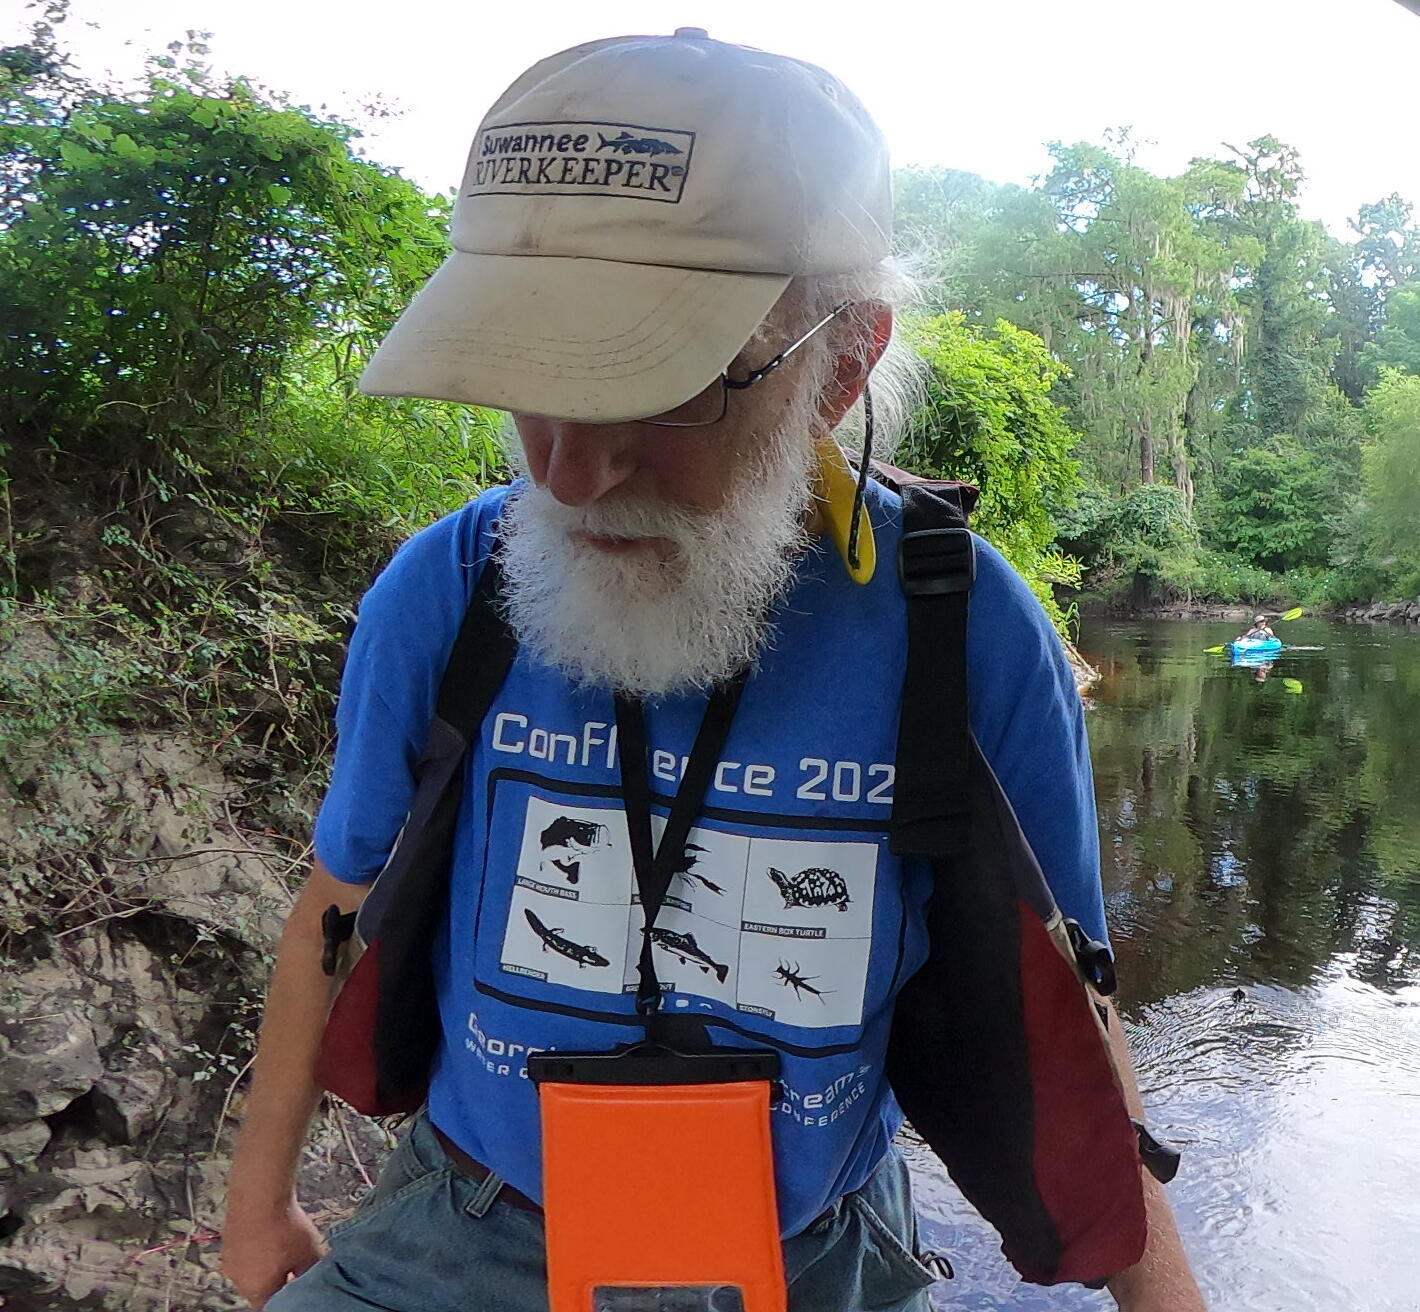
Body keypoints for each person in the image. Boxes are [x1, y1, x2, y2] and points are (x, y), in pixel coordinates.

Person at [220, 29, 1207, 1312]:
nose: (570, 473)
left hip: (817, 1253)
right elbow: (333, 912)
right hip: (469, 1229)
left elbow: (1077, 1007)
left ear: (840, 360)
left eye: (666, 387)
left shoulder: (966, 630)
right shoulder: (450, 589)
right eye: (531, 379)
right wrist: (257, 1206)